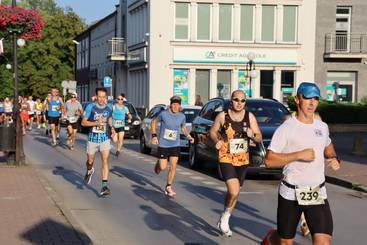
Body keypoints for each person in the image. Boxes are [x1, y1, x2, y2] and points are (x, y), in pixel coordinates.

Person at [261, 82, 341, 245]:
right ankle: (271, 239)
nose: (312, 103)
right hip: (291, 193)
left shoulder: (322, 126)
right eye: (307, 98)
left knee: (323, 241)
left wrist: (333, 157)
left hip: (317, 193)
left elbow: (328, 146)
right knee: (284, 242)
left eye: (316, 99)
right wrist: (298, 155)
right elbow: (269, 160)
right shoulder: (287, 128)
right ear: (297, 99)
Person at [209, 90, 262, 237]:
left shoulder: (249, 116)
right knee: (233, 190)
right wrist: (217, 141)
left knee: (236, 192)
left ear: (245, 102)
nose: (239, 103)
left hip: (242, 159)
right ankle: (225, 218)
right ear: (231, 100)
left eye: (242, 100)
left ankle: (225, 215)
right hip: (226, 157)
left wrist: (253, 135)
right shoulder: (223, 116)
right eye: (236, 99)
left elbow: (259, 137)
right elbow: (212, 131)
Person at [151, 96, 194, 197]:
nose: (175, 106)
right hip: (163, 144)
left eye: (177, 105)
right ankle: (159, 163)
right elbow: (153, 122)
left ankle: (168, 186)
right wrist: (154, 135)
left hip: (175, 144)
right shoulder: (163, 114)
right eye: (174, 104)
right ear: (171, 105)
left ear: (180, 106)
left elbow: (183, 127)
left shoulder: (182, 116)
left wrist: (189, 136)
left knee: (173, 166)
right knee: (162, 167)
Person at [82, 87, 113, 196]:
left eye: (103, 97)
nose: (101, 99)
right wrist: (96, 123)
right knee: (90, 161)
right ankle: (89, 170)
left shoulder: (109, 107)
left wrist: (112, 128)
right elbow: (83, 123)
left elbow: (109, 118)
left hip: (105, 138)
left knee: (105, 160)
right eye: (99, 97)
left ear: (106, 97)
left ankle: (104, 186)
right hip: (92, 139)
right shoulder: (91, 107)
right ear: (96, 97)